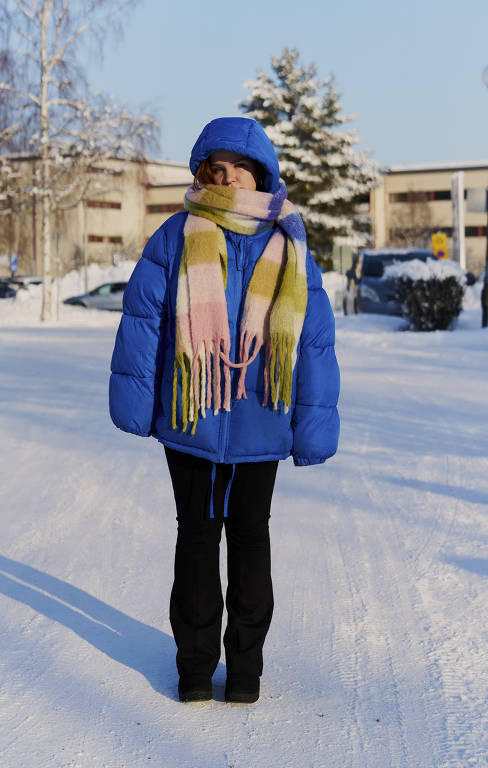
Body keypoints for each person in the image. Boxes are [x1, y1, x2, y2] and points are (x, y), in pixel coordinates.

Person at [109, 117, 340, 704]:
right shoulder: (176, 235)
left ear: (262, 174)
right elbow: (143, 322)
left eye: (240, 167)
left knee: (250, 540)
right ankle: (193, 670)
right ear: (203, 173)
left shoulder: (288, 242)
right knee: (196, 538)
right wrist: (134, 403)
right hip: (191, 421)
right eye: (218, 167)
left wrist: (313, 427)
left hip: (262, 419)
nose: (229, 176)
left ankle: (244, 671)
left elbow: (312, 341)